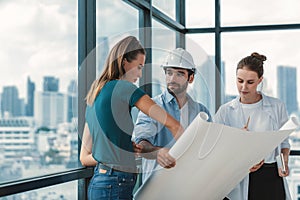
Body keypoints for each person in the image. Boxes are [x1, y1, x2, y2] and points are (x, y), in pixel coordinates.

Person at [79, 36, 184, 200]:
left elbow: (84, 158)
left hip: (99, 182)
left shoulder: (94, 95)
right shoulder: (124, 88)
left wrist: (121, 151)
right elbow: (174, 125)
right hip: (116, 183)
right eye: (139, 67)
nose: (140, 74)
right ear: (124, 63)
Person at [214, 52, 291, 200]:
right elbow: (217, 147)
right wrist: (236, 138)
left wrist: (284, 162)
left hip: (270, 176)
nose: (243, 87)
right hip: (238, 176)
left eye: (250, 82)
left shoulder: (276, 106)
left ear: (260, 80)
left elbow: (284, 142)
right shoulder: (225, 111)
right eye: (240, 80)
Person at [133, 48, 212, 183]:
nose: (172, 79)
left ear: (191, 78)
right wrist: (158, 152)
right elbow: (141, 144)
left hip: (190, 185)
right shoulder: (152, 106)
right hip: (158, 188)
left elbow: (209, 147)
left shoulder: (201, 112)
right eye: (169, 73)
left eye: (179, 74)